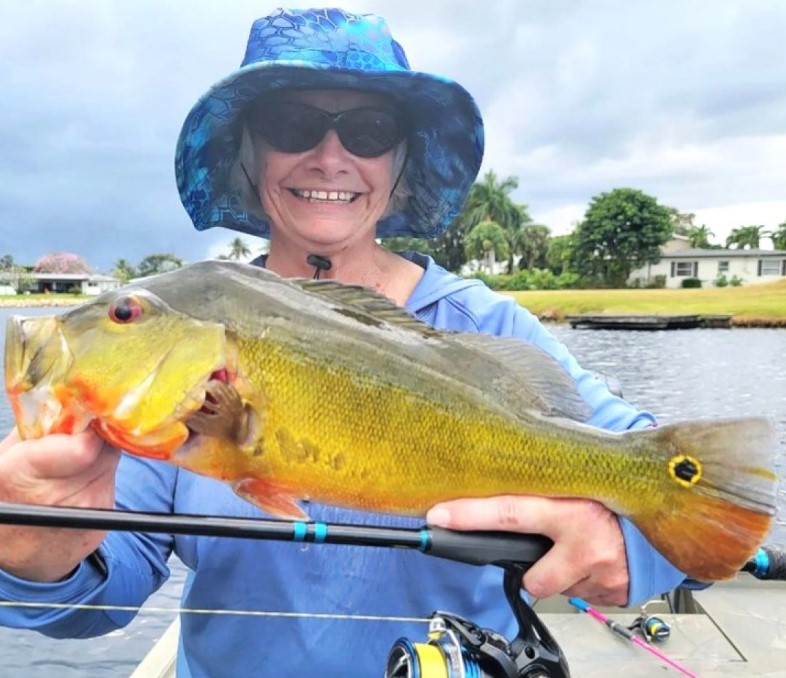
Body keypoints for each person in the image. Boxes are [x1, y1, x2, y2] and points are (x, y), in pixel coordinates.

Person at [0, 8, 685, 677]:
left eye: (369, 129)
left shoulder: (488, 327)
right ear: (247, 151)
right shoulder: (168, 366)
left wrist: (633, 546)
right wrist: (35, 550)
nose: (330, 158)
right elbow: (98, 599)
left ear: (401, 161)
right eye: (291, 125)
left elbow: (679, 491)